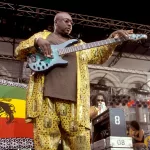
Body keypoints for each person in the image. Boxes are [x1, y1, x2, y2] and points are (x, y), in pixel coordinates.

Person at [15, 11, 134, 150]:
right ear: (56, 22)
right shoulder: (42, 36)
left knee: (80, 145)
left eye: (71, 22)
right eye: (66, 21)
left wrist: (113, 39)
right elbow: (19, 51)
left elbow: (99, 55)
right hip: (45, 102)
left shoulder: (79, 45)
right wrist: (36, 41)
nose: (70, 24)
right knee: (45, 145)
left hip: (75, 105)